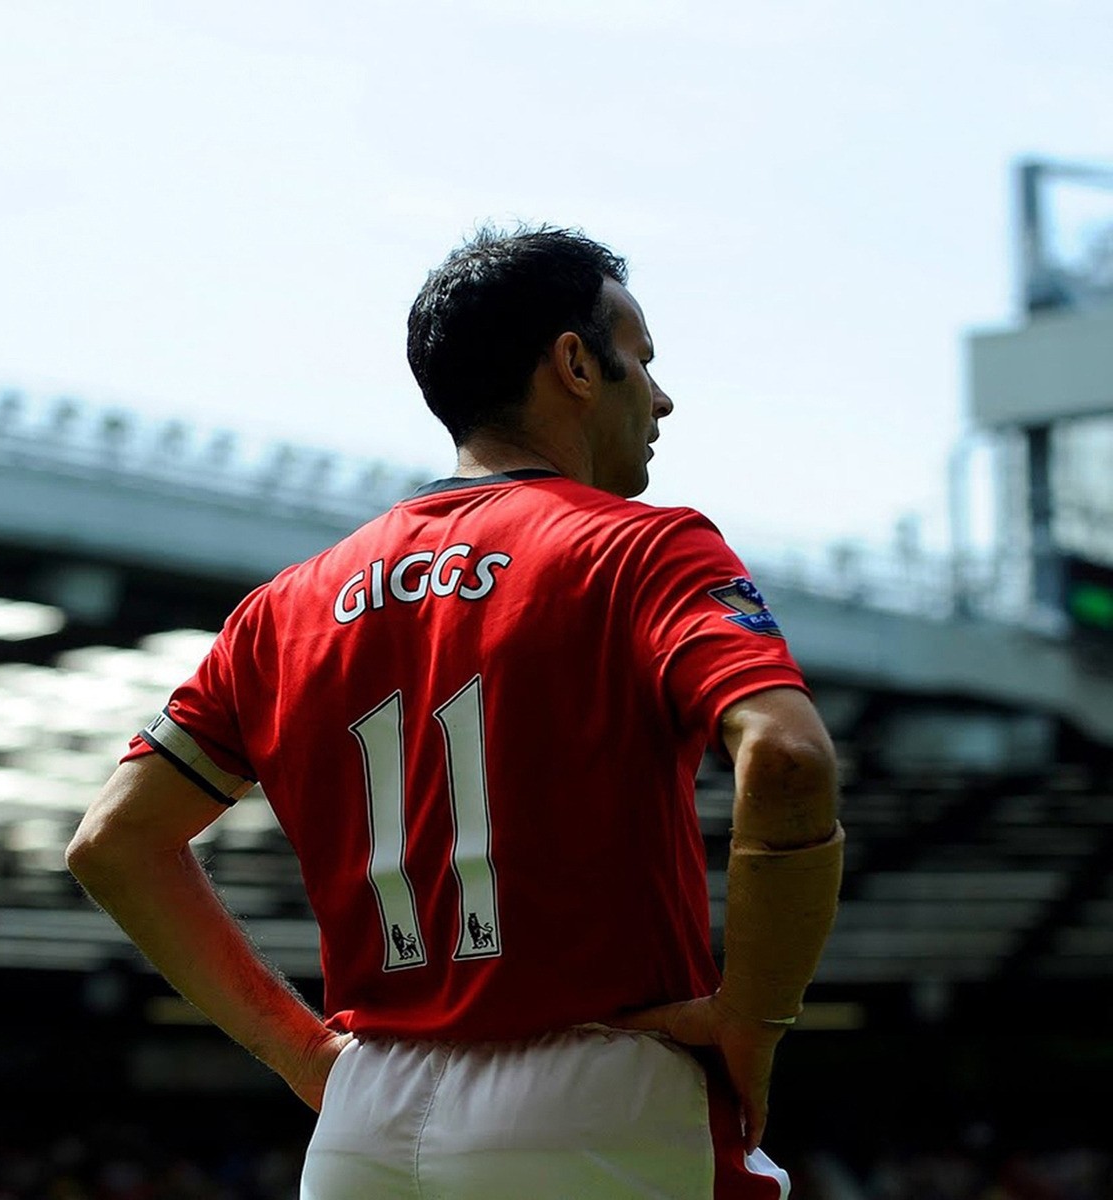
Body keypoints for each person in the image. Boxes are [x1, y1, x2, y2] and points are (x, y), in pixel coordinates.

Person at [65, 225, 844, 1198]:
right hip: (606, 1091)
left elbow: (113, 842)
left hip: (366, 1119)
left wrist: (305, 1056)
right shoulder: (644, 549)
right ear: (573, 363)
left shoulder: (286, 606)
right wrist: (754, 1019)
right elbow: (788, 761)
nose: (662, 396)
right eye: (641, 360)